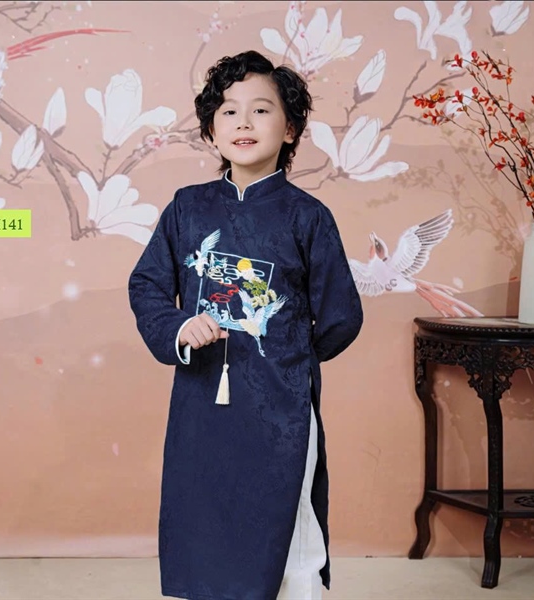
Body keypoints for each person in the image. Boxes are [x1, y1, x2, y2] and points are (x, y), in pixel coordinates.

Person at [129, 50, 363, 600]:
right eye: (229, 112)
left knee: (290, 524)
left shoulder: (307, 217)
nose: (244, 123)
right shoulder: (187, 209)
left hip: (281, 404)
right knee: (204, 515)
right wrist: (181, 327)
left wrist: (286, 351)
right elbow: (147, 285)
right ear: (211, 131)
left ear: (290, 129)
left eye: (261, 110)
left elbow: (341, 316)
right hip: (201, 401)